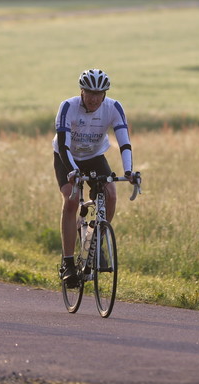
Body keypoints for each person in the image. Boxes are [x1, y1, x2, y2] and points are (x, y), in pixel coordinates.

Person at [53, 69, 136, 287]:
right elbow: (63, 145)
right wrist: (73, 170)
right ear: (81, 91)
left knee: (110, 194)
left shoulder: (113, 108)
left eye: (99, 94)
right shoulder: (68, 106)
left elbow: (124, 141)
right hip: (67, 156)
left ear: (105, 95)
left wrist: (129, 171)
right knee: (71, 200)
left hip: (94, 156)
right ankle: (68, 263)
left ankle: (95, 241)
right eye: (89, 93)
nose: (94, 99)